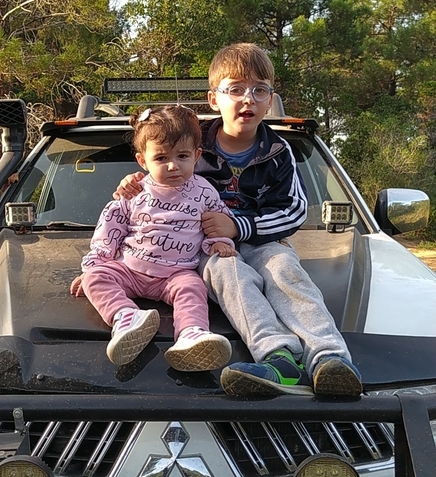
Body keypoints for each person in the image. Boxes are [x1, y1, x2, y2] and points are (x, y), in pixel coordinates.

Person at [113, 43, 363, 397]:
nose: (248, 98)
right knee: (228, 273)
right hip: (206, 248)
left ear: (269, 100)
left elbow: (294, 209)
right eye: (235, 89)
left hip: (264, 241)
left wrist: (240, 226)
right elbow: (157, 178)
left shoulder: (279, 151)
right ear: (213, 99)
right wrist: (132, 184)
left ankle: (330, 359)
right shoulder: (189, 144)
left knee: (285, 270)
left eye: (259, 90)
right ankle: (279, 358)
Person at [70, 105, 236, 372]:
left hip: (176, 274)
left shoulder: (205, 192)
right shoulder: (134, 190)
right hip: (130, 270)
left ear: (196, 155)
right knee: (95, 278)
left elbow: (219, 221)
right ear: (142, 160)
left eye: (182, 156)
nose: (173, 165)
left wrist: (220, 243)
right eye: (161, 158)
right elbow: (110, 228)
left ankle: (191, 334)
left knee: (193, 289)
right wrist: (93, 266)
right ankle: (126, 317)